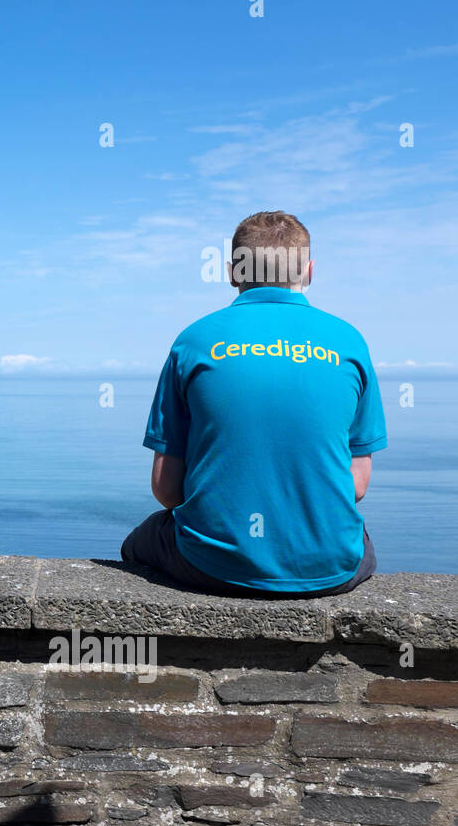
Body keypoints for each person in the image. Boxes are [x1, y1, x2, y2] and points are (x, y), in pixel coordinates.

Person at [121, 211, 387, 598]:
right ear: (309, 271)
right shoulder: (349, 342)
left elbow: (166, 490)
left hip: (210, 566)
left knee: (139, 542)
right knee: (354, 537)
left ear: (232, 272)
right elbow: (357, 486)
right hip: (330, 568)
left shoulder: (194, 340)